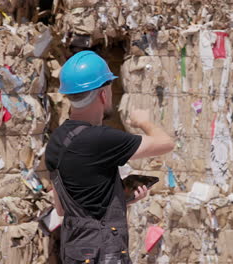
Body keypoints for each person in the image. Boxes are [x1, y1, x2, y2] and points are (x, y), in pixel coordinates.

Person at [45, 50, 174, 264]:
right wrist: (143, 121)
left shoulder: (56, 141)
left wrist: (119, 198)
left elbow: (63, 208)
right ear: (103, 93)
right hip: (104, 254)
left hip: (75, 252)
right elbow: (165, 143)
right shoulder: (101, 139)